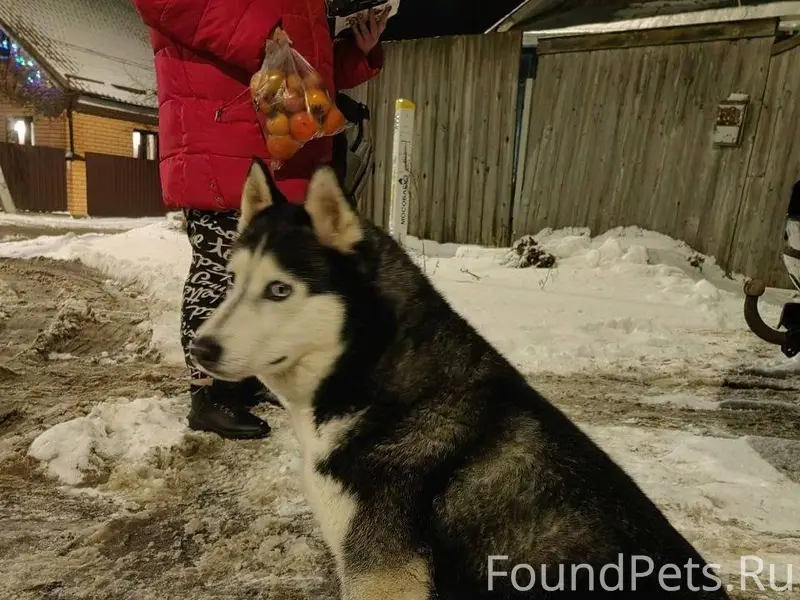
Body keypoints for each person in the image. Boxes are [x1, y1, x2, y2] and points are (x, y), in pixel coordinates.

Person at [132, 0, 387, 439]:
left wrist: (354, 50)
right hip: (222, 130)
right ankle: (209, 393)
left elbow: (305, 69)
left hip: (282, 144)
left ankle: (245, 375)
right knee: (220, 268)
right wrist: (270, 32)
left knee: (263, 273)